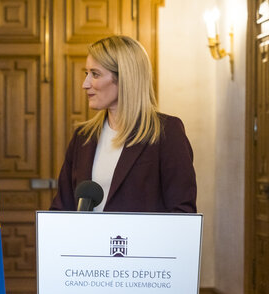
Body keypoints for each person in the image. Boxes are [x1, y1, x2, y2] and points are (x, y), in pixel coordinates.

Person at [50, 35, 197, 213]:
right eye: (86, 74)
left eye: (95, 74)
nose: (85, 84)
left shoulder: (166, 132)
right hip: (88, 241)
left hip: (144, 241)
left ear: (125, 78)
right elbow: (62, 207)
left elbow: (181, 212)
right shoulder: (83, 136)